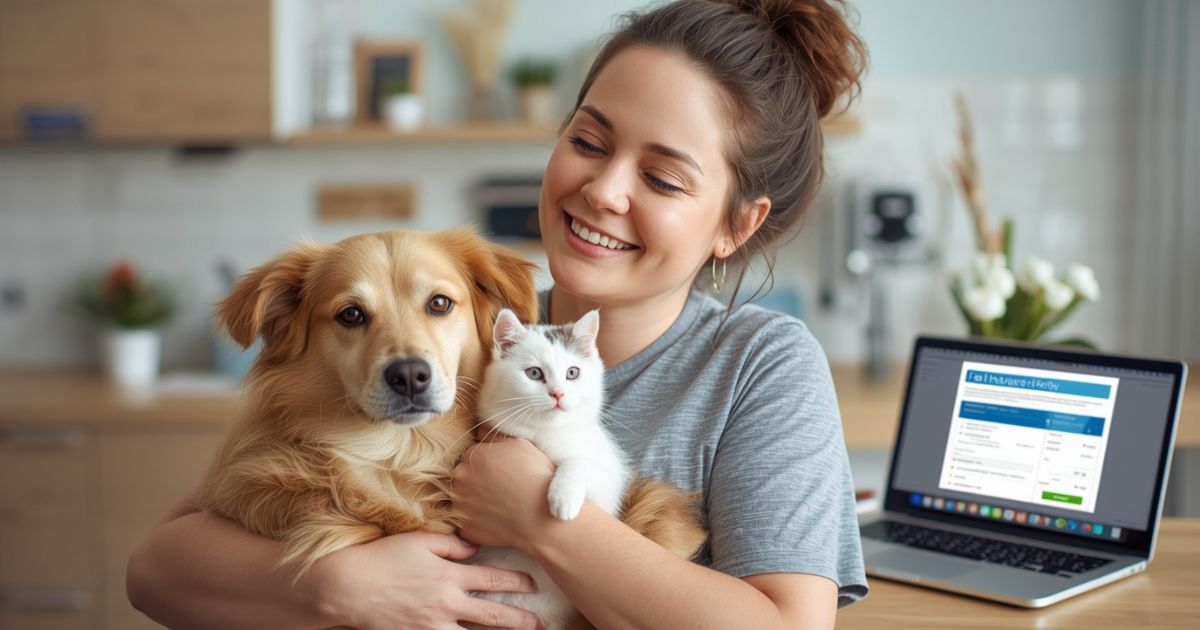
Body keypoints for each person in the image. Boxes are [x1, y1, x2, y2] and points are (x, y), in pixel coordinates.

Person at [126, 0, 870, 628]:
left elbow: (788, 624)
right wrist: (337, 587)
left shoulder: (759, 363)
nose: (605, 189)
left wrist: (543, 521)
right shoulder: (467, 336)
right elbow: (156, 568)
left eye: (663, 178)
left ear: (735, 225)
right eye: (587, 140)